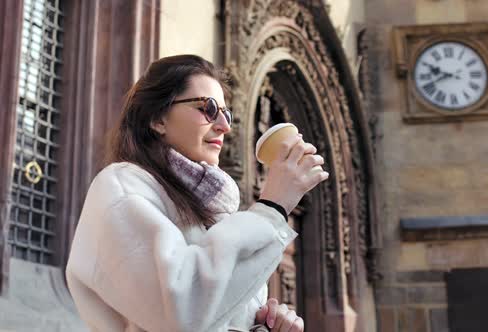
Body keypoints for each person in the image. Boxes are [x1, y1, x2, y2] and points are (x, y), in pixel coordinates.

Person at [65, 54, 329, 332]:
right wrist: (272, 208)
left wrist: (266, 326)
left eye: (226, 113)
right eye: (209, 108)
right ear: (157, 118)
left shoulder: (217, 212)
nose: (224, 126)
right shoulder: (121, 187)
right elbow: (182, 314)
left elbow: (215, 316)